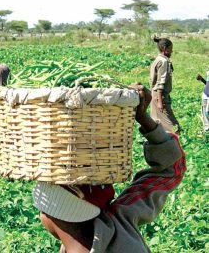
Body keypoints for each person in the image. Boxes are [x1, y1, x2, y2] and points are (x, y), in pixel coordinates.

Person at [33, 84, 186, 252]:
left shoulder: (117, 221)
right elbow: (172, 169)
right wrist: (143, 119)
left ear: (50, 216)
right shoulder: (119, 220)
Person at [149, 37, 182, 134]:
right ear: (164, 48)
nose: (172, 51)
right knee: (174, 127)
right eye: (170, 49)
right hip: (160, 96)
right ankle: (177, 144)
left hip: (155, 95)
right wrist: (160, 101)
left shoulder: (158, 59)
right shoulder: (163, 62)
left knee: (156, 123)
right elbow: (160, 83)